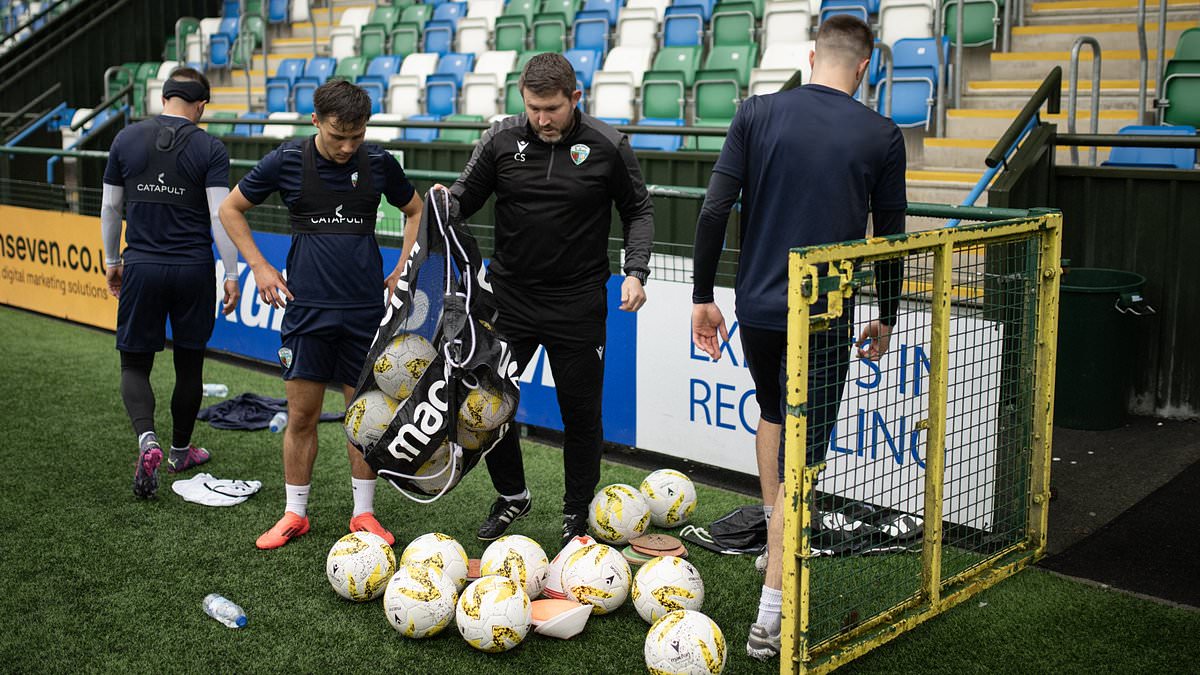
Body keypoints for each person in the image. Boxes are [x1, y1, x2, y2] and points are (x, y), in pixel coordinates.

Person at [690, 15, 907, 661]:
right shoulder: (882, 132)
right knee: (804, 461)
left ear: (813, 55)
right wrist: (888, 311)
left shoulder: (756, 112)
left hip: (755, 306)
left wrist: (701, 295)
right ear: (865, 67)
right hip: (824, 314)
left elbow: (712, 210)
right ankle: (771, 613)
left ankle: (772, 545)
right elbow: (890, 236)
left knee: (771, 412)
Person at [447, 52, 654, 546]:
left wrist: (635, 271)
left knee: (580, 413)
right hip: (510, 302)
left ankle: (576, 512)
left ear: (575, 98)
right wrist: (443, 201)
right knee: (485, 404)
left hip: (579, 303)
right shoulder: (500, 138)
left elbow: (639, 210)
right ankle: (513, 495)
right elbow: (463, 197)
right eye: (534, 108)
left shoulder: (608, 144)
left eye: (553, 109)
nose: (543, 119)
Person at [218, 79, 423, 550]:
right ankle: (294, 513)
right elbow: (230, 209)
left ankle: (364, 514)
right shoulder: (287, 159)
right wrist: (260, 266)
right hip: (305, 311)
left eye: (357, 136)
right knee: (302, 416)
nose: (348, 147)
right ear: (315, 121)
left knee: (364, 417)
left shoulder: (378, 163)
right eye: (337, 136)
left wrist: (403, 269)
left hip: (366, 314)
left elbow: (416, 212)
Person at [101, 67, 240, 499]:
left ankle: (148, 439)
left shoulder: (125, 138)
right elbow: (221, 217)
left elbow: (110, 207)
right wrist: (232, 273)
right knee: (189, 362)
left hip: (141, 265)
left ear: (164, 98)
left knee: (134, 364)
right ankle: (181, 450)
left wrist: (111, 260)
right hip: (193, 268)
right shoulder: (210, 146)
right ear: (200, 104)